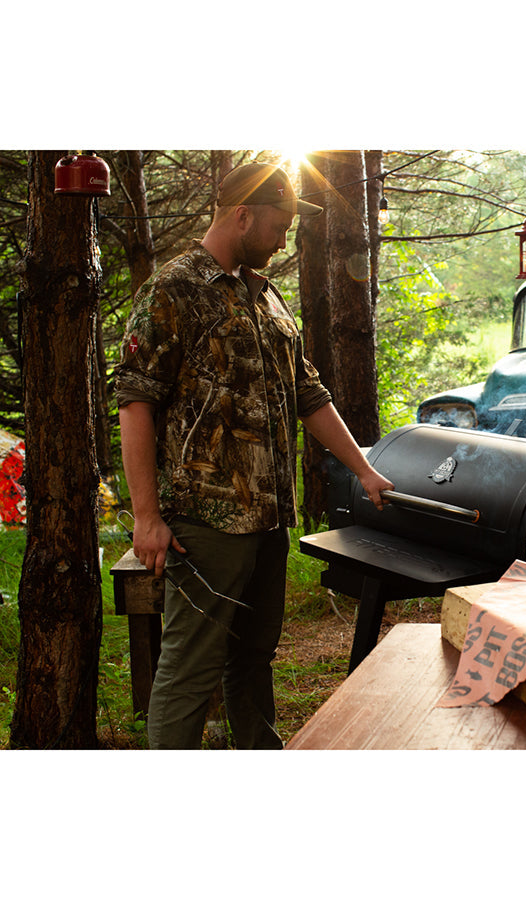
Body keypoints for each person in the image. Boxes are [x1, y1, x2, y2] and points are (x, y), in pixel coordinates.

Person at [114, 162, 394, 749]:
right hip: (205, 522)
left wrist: (364, 469)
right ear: (242, 214)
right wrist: (145, 516)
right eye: (280, 225)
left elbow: (307, 394)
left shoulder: (266, 297)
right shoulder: (173, 290)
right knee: (190, 670)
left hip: (268, 520)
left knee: (254, 659)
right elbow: (135, 404)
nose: (285, 238)